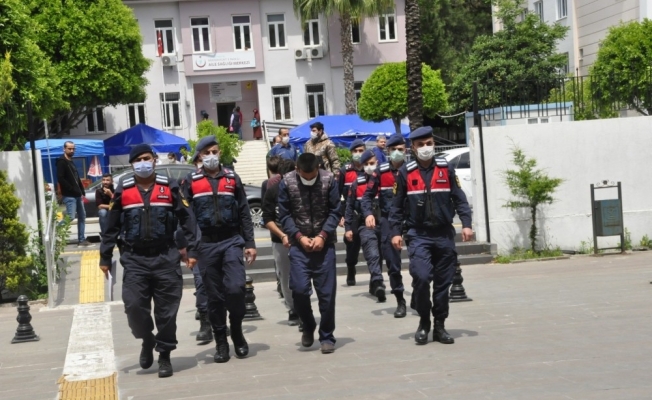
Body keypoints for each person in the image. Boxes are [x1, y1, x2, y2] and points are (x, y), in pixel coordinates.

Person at [99, 144, 197, 378]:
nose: (143, 163)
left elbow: (187, 219)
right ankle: (146, 339)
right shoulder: (124, 188)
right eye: (138, 160)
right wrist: (105, 257)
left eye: (147, 158)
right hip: (135, 259)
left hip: (165, 257)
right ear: (132, 164)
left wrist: (192, 250)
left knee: (167, 311)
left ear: (154, 160)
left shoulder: (169, 186)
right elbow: (111, 226)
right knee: (134, 307)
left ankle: (164, 355)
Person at [388, 126, 473, 345]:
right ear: (413, 148)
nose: (426, 148)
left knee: (443, 283)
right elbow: (396, 207)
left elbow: (460, 199)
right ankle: (424, 321)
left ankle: (440, 326)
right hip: (419, 234)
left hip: (444, 234)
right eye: (421, 145)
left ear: (434, 144)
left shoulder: (446, 169)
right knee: (422, 277)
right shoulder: (406, 172)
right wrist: (395, 232)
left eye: (429, 144)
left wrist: (466, 224)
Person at [181, 135, 257, 364]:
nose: (211, 156)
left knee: (236, 288)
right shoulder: (191, 181)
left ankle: (237, 331)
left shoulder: (232, 178)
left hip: (231, 240)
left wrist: (250, 243)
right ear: (200, 156)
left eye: (214, 151)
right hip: (205, 244)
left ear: (220, 153)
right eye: (206, 153)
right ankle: (221, 342)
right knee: (214, 296)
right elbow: (185, 218)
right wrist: (188, 248)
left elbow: (244, 211)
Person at [277, 153, 341, 354]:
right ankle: (308, 323)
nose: (309, 178)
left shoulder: (329, 180)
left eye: (312, 175)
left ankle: (327, 336)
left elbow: (335, 211)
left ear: (318, 168)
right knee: (299, 290)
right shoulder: (286, 182)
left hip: (325, 245)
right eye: (305, 176)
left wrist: (323, 235)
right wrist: (298, 236)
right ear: (297, 169)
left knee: (327, 294)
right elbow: (284, 214)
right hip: (299, 246)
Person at [362, 133, 408, 318]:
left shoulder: (412, 170)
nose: (397, 152)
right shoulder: (380, 172)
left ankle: (419, 292)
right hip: (389, 220)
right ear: (388, 151)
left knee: (419, 264)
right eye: (393, 149)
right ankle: (400, 300)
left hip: (411, 220)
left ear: (406, 150)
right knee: (393, 264)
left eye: (400, 149)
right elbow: (367, 196)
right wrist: (368, 214)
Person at [262, 158, 300, 327]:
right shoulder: (272, 191)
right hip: (280, 240)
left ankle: (303, 307)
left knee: (302, 275)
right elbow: (267, 218)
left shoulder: (301, 189)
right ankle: (292, 308)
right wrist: (282, 235)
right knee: (285, 276)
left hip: (300, 239)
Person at [345, 150, 386, 302]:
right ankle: (378, 281)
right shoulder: (357, 184)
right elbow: (349, 207)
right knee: (372, 253)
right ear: (362, 166)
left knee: (379, 254)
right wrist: (348, 228)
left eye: (372, 163)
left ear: (377, 163)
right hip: (364, 225)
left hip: (383, 223)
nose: (370, 166)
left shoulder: (384, 181)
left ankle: (373, 283)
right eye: (367, 164)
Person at [338, 139, 366, 286]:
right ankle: (351, 268)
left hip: (369, 212)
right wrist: (340, 215)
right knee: (352, 243)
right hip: (351, 212)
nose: (358, 154)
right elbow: (337, 195)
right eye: (355, 151)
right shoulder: (345, 171)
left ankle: (376, 277)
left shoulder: (371, 168)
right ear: (351, 153)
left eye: (361, 151)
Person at [56, 141, 92, 247]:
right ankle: (54, 230)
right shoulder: (61, 162)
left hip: (77, 194)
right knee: (70, 217)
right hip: (69, 195)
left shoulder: (71, 161)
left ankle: (81, 239)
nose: (72, 150)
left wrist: (81, 190)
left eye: (73, 149)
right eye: (69, 148)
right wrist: (71, 189)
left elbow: (76, 178)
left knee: (82, 216)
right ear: (64, 149)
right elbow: (60, 178)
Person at [95, 173, 114, 238]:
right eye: (103, 180)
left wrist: (110, 194)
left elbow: (118, 202)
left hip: (115, 210)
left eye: (107, 180)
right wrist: (111, 206)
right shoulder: (99, 191)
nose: (105, 182)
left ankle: (121, 234)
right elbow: (100, 206)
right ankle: (105, 235)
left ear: (112, 181)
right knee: (103, 212)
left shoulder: (116, 190)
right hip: (106, 210)